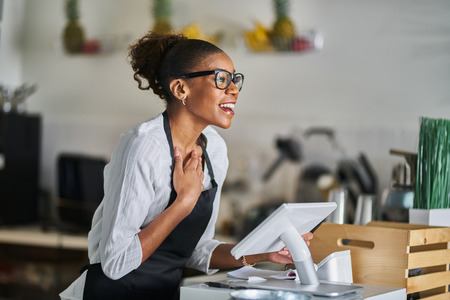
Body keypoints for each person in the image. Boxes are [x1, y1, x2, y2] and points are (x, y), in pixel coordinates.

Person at [60, 31, 313, 300]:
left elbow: (197, 249)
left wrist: (260, 252)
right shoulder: (143, 146)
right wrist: (184, 203)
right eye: (221, 79)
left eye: (234, 79)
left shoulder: (214, 149)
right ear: (181, 88)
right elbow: (116, 263)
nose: (234, 89)